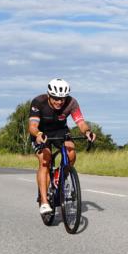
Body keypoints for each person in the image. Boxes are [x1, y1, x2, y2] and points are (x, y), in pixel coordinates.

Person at [29, 78, 95, 214]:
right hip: (41, 133)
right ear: (49, 95)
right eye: (56, 98)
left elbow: (81, 122)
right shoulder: (38, 102)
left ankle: (60, 175)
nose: (59, 102)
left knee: (71, 152)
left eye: (62, 99)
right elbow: (33, 126)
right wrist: (39, 134)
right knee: (45, 160)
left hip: (60, 131)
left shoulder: (72, 102)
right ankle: (44, 201)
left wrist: (88, 132)